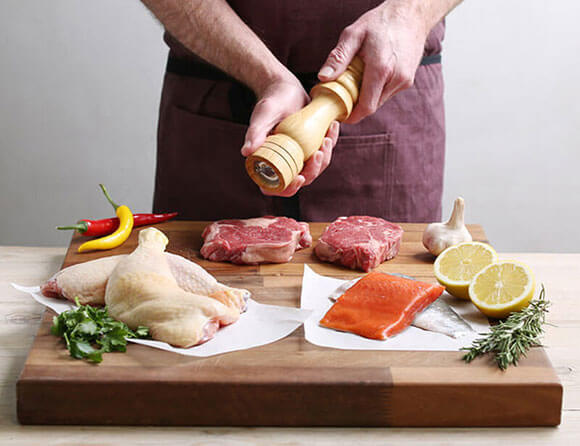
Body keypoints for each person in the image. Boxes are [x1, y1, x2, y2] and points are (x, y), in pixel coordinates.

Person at [142, 0, 462, 222]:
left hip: (383, 96)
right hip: (215, 101)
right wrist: (264, 75)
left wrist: (411, 12)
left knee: (392, 297)